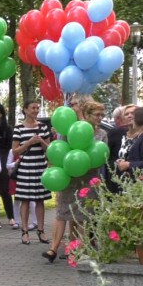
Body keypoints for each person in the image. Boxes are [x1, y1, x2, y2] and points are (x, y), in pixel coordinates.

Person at [44, 100, 106, 262]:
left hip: (88, 179)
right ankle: (53, 249)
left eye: (102, 115)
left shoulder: (102, 134)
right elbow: (61, 150)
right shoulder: (71, 130)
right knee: (61, 213)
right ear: (87, 114)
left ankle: (78, 249)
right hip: (68, 177)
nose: (100, 117)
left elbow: (101, 157)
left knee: (82, 215)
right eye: (97, 114)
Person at [13, 100, 51, 245]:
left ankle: (41, 230)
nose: (36, 110)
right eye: (33, 108)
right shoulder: (18, 128)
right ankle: (24, 231)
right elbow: (15, 151)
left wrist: (41, 141)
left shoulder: (43, 127)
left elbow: (50, 150)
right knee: (25, 199)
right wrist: (29, 142)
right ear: (25, 110)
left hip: (40, 167)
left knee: (40, 199)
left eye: (37, 108)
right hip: (25, 168)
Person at [105, 104, 135, 193]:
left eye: (133, 113)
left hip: (124, 174)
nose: (130, 116)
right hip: (123, 175)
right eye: (127, 114)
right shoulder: (116, 132)